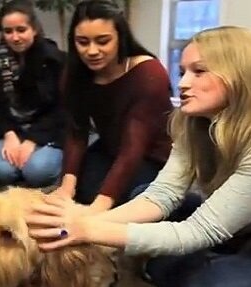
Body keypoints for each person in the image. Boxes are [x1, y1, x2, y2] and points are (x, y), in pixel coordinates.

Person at [26, 26, 251, 287]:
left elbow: (201, 232)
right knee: (144, 195)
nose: (182, 83)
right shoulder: (194, 122)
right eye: (183, 70)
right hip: (246, 231)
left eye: (199, 72)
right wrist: (87, 219)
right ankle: (201, 266)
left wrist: (84, 231)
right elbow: (162, 194)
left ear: (240, 76)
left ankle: (191, 270)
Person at [52, 0, 173, 211]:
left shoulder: (149, 73)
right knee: (80, 191)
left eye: (103, 41)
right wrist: (66, 189)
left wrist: (98, 210)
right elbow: (76, 131)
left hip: (152, 156)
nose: (92, 51)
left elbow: (134, 146)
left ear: (120, 38)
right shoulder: (74, 74)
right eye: (82, 42)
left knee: (124, 202)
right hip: (110, 148)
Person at [0, 0, 66, 188]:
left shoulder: (54, 59)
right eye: (8, 31)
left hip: (48, 128)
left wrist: (32, 140)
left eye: (21, 30)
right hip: (12, 127)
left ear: (34, 29)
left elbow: (61, 108)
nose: (15, 37)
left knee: (37, 172)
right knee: (3, 171)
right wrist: (9, 134)